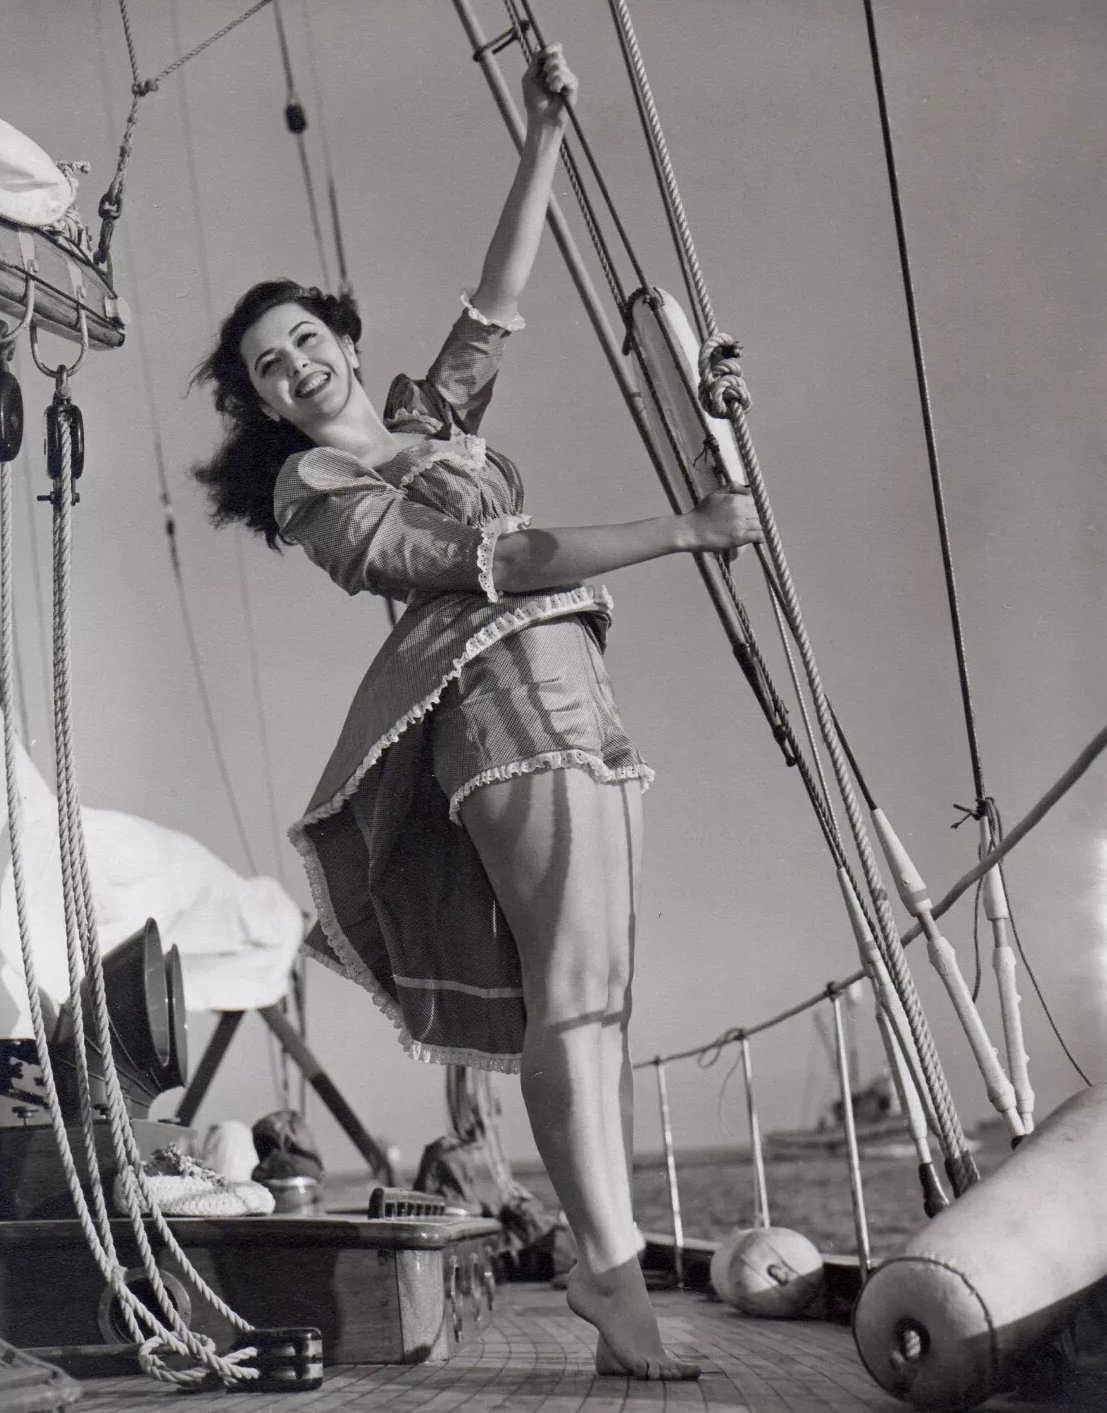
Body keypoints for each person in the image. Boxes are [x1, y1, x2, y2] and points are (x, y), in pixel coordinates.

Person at [194, 44, 761, 1381]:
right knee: (570, 996)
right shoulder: (314, 493)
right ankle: (609, 1274)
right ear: (262, 406)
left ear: (344, 337)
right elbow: (488, 560)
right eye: (270, 369)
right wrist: (686, 529)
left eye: (308, 339)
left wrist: (546, 129)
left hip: (577, 684)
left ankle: (609, 1262)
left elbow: (497, 301)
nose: (298, 367)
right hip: (493, 704)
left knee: (603, 998)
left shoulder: (423, 417)